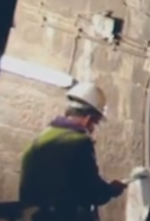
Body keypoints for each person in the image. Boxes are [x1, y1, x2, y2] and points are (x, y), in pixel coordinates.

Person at [18, 82, 126, 221]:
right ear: (88, 118)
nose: (93, 128)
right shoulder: (79, 143)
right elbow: (92, 191)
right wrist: (111, 190)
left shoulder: (43, 136)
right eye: (95, 123)